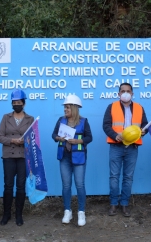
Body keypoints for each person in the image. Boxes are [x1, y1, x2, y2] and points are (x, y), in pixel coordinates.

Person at [103, 83, 148, 217]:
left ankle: (124, 204)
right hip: (116, 146)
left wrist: (144, 131)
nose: (125, 93)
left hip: (132, 147)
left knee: (128, 177)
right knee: (114, 176)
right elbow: (106, 125)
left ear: (132, 93)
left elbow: (145, 125)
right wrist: (115, 135)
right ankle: (113, 203)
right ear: (119, 94)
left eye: (128, 91)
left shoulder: (139, 108)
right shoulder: (112, 107)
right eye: (123, 91)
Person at [52, 95, 92, 227]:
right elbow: (54, 135)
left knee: (80, 185)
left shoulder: (84, 121)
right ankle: (67, 211)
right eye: (64, 107)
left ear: (74, 108)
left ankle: (81, 212)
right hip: (64, 157)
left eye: (67, 107)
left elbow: (89, 138)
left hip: (79, 157)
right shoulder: (61, 120)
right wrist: (59, 138)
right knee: (66, 185)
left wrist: (78, 141)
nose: (65, 109)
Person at [0, 89, 34, 226]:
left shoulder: (30, 119)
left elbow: (33, 138)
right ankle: (6, 214)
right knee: (8, 185)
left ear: (23, 104)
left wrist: (25, 141)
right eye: (14, 102)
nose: (16, 104)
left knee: (20, 186)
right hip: (8, 156)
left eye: (18, 102)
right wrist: (13, 141)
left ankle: (19, 215)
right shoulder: (6, 118)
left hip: (24, 156)